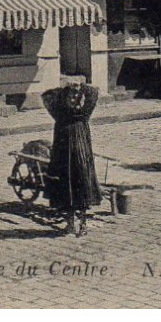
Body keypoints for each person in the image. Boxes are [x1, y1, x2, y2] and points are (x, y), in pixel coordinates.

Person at [41, 77, 102, 237]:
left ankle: (72, 225)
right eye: (72, 94)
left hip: (65, 143)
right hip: (79, 143)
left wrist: (65, 87)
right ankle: (80, 225)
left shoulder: (59, 109)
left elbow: (47, 95)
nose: (74, 98)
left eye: (76, 94)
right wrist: (79, 85)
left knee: (69, 182)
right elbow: (94, 91)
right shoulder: (85, 110)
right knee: (79, 181)